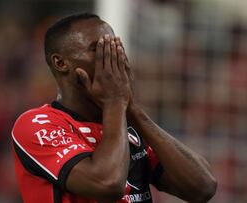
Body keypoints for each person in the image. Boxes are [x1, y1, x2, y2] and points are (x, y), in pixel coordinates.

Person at [11, 13, 217, 203]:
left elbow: (203, 187)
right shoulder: (37, 125)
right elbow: (107, 183)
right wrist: (116, 103)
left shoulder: (127, 124)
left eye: (114, 47)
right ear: (61, 63)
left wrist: (133, 109)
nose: (113, 58)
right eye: (98, 49)